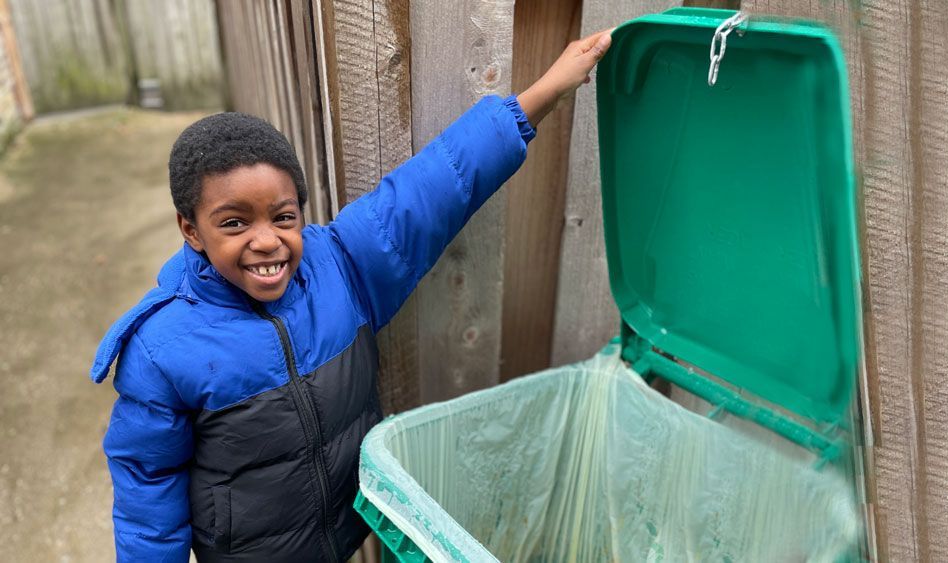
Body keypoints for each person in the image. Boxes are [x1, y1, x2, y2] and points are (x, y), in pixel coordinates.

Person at [90, 29, 613, 562]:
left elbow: (437, 186)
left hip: (346, 535)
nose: (266, 239)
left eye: (284, 216)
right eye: (233, 222)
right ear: (191, 230)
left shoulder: (338, 266)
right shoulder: (160, 348)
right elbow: (146, 494)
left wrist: (547, 89)